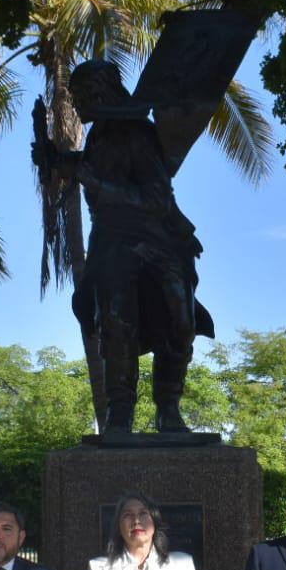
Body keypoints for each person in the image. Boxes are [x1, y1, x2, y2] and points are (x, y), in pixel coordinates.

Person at [61, 58, 216, 433]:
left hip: (154, 240)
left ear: (101, 92)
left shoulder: (139, 132)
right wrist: (60, 162)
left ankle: (168, 407)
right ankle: (120, 411)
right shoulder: (97, 136)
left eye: (81, 95)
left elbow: (156, 200)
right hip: (111, 244)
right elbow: (91, 168)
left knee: (180, 321)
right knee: (115, 322)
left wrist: (95, 183)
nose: (77, 104)